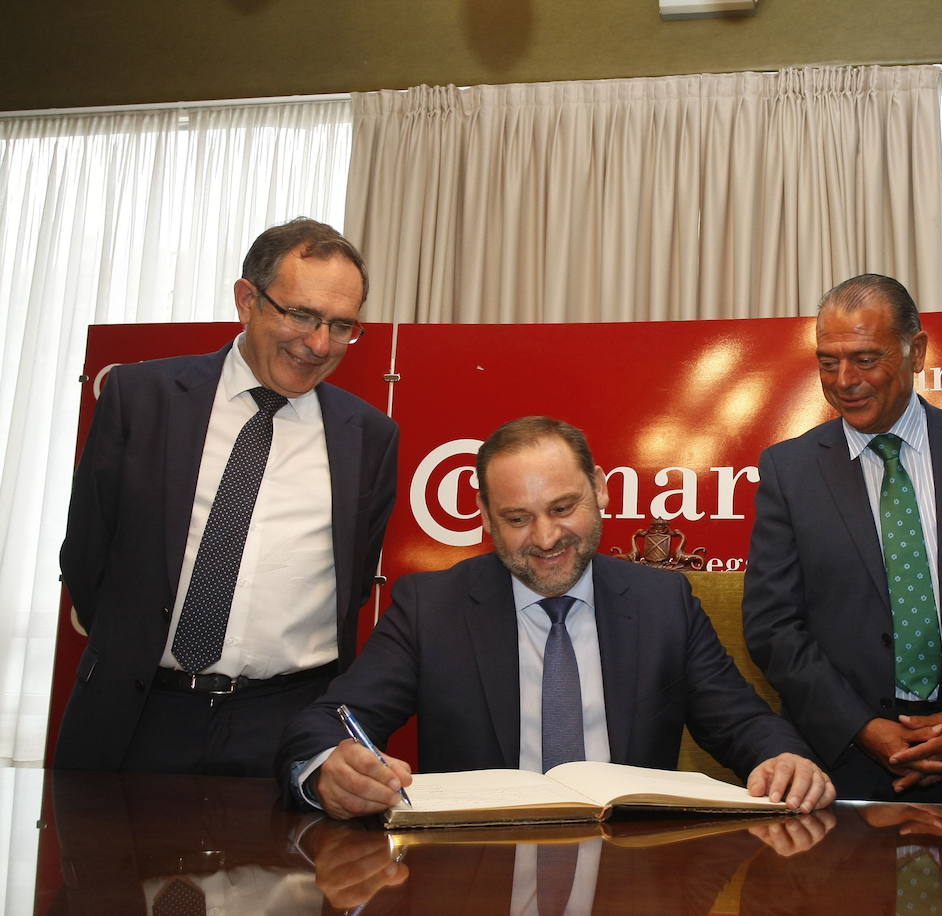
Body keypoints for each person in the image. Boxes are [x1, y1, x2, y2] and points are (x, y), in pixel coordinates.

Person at [278, 416, 835, 819]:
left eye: (563, 508)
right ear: (487, 521)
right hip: (474, 873)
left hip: (632, 871)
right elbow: (327, 722)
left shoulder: (663, 600)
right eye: (517, 518)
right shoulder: (431, 607)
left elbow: (739, 721)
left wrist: (783, 758)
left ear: (598, 489)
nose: (545, 538)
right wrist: (329, 767)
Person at [54, 217, 399, 777]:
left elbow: (354, 582)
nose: (318, 344)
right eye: (302, 315)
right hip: (134, 715)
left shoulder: (369, 436)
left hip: (287, 729)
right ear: (247, 299)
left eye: (341, 326)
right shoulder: (141, 399)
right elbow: (88, 557)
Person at [742, 274, 942, 804]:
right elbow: (773, 624)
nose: (844, 380)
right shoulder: (788, 471)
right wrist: (863, 726)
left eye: (866, 359)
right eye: (828, 361)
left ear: (917, 350)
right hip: (841, 766)